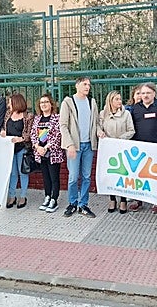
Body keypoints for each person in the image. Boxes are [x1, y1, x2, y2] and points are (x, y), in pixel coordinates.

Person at [59, 77, 100, 218]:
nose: (87, 87)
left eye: (89, 84)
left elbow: (96, 122)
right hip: (74, 146)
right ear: (77, 85)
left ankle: (83, 204)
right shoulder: (68, 102)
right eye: (84, 84)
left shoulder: (92, 102)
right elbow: (63, 125)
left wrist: (99, 131)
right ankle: (72, 203)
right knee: (73, 177)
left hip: (88, 145)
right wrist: (69, 144)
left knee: (87, 176)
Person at [129, 82, 157, 213]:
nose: (145, 95)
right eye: (143, 93)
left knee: (156, 176)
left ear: (154, 93)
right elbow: (131, 128)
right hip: (140, 148)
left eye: (148, 93)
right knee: (139, 175)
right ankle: (139, 201)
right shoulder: (136, 108)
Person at [98, 90, 135, 213]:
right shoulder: (103, 114)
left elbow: (131, 130)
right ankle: (112, 199)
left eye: (120, 99)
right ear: (110, 101)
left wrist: (120, 139)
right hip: (108, 149)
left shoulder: (126, 114)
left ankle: (123, 200)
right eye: (116, 99)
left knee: (122, 174)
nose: (119, 101)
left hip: (122, 147)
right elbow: (98, 126)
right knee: (111, 174)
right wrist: (100, 132)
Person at [30, 94, 64, 213]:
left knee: (54, 177)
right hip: (40, 153)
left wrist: (46, 147)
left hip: (53, 153)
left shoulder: (57, 118)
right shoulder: (37, 119)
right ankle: (47, 196)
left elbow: (58, 135)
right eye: (41, 102)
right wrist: (37, 147)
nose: (44, 104)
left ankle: (54, 199)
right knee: (45, 177)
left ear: (51, 104)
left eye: (46, 102)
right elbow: (33, 134)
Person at [1, 93, 33, 209]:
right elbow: (4, 127)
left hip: (21, 148)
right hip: (10, 148)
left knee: (22, 172)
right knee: (12, 173)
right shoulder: (8, 114)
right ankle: (12, 195)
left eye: (10, 102)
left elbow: (30, 133)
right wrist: (3, 132)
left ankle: (23, 196)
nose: (9, 105)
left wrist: (21, 139)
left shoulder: (27, 116)